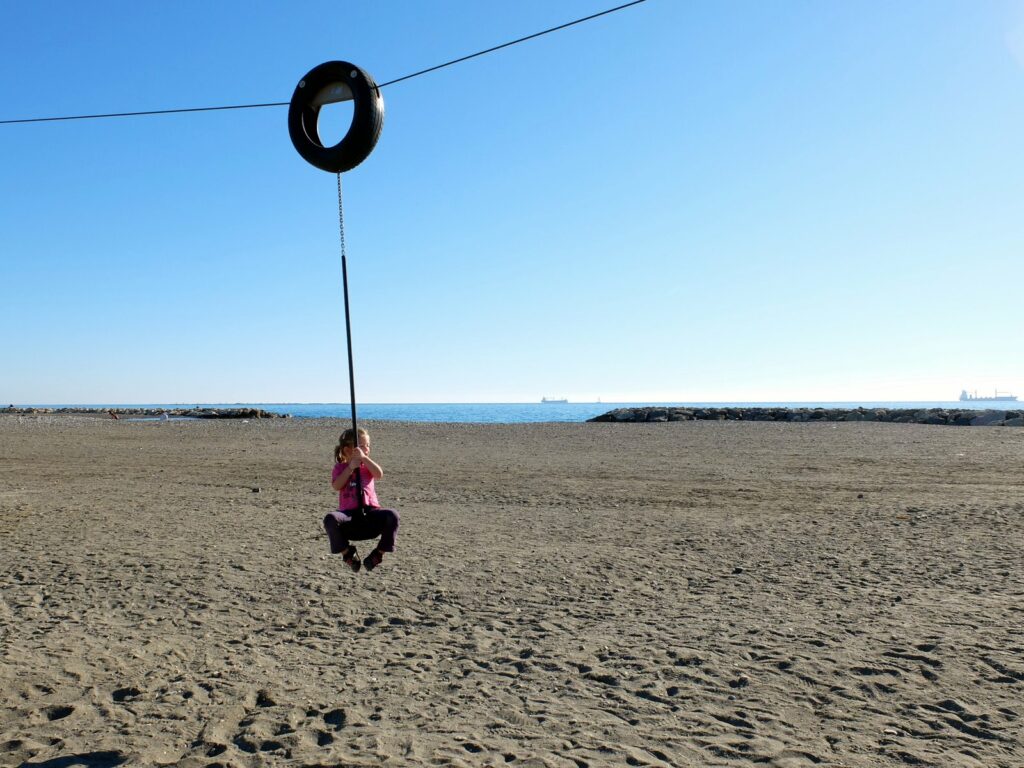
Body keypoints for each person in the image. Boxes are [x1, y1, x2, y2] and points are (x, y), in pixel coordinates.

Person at [323, 427, 400, 573]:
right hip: (349, 517)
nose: (367, 449)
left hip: (370, 515)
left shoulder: (367, 466)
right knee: (330, 519)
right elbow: (336, 485)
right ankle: (348, 554)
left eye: (368, 446)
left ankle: (378, 554)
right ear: (347, 450)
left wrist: (364, 458)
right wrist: (350, 468)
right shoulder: (340, 468)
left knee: (393, 515)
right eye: (363, 446)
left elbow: (379, 474)